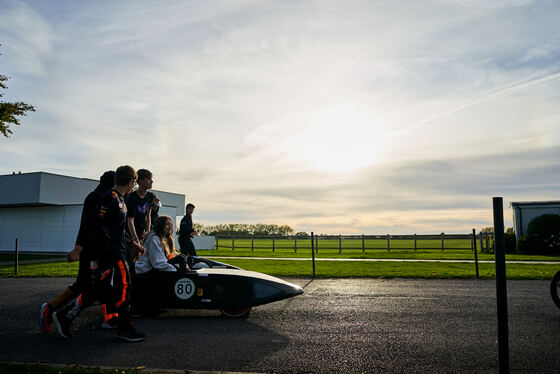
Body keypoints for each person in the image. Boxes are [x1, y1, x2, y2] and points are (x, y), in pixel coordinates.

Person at [53, 165, 146, 342]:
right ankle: (124, 328)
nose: (134, 186)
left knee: (99, 290)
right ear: (131, 181)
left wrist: (133, 243)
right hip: (110, 254)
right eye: (134, 182)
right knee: (125, 287)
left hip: (116, 251)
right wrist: (79, 249)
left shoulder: (121, 200)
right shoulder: (108, 199)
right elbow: (93, 225)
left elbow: (117, 229)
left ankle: (66, 316)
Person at [39, 171, 117, 333]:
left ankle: (108, 317)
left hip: (98, 250)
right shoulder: (95, 197)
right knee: (86, 285)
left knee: (94, 285)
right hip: (90, 250)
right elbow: (87, 225)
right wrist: (78, 249)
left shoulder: (106, 197)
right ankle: (52, 309)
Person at [132, 215, 188, 314]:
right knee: (170, 273)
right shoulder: (154, 239)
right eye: (167, 224)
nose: (170, 227)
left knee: (181, 259)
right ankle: (153, 306)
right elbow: (158, 263)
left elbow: (169, 258)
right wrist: (177, 271)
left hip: (152, 269)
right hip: (145, 272)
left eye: (171, 224)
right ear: (160, 225)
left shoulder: (164, 239)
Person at [125, 169, 155, 273]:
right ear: (140, 181)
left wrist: (147, 231)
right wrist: (135, 240)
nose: (152, 182)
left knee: (141, 262)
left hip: (142, 234)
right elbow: (130, 220)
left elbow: (148, 215)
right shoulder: (132, 197)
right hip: (131, 236)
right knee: (130, 264)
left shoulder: (151, 196)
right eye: (149, 179)